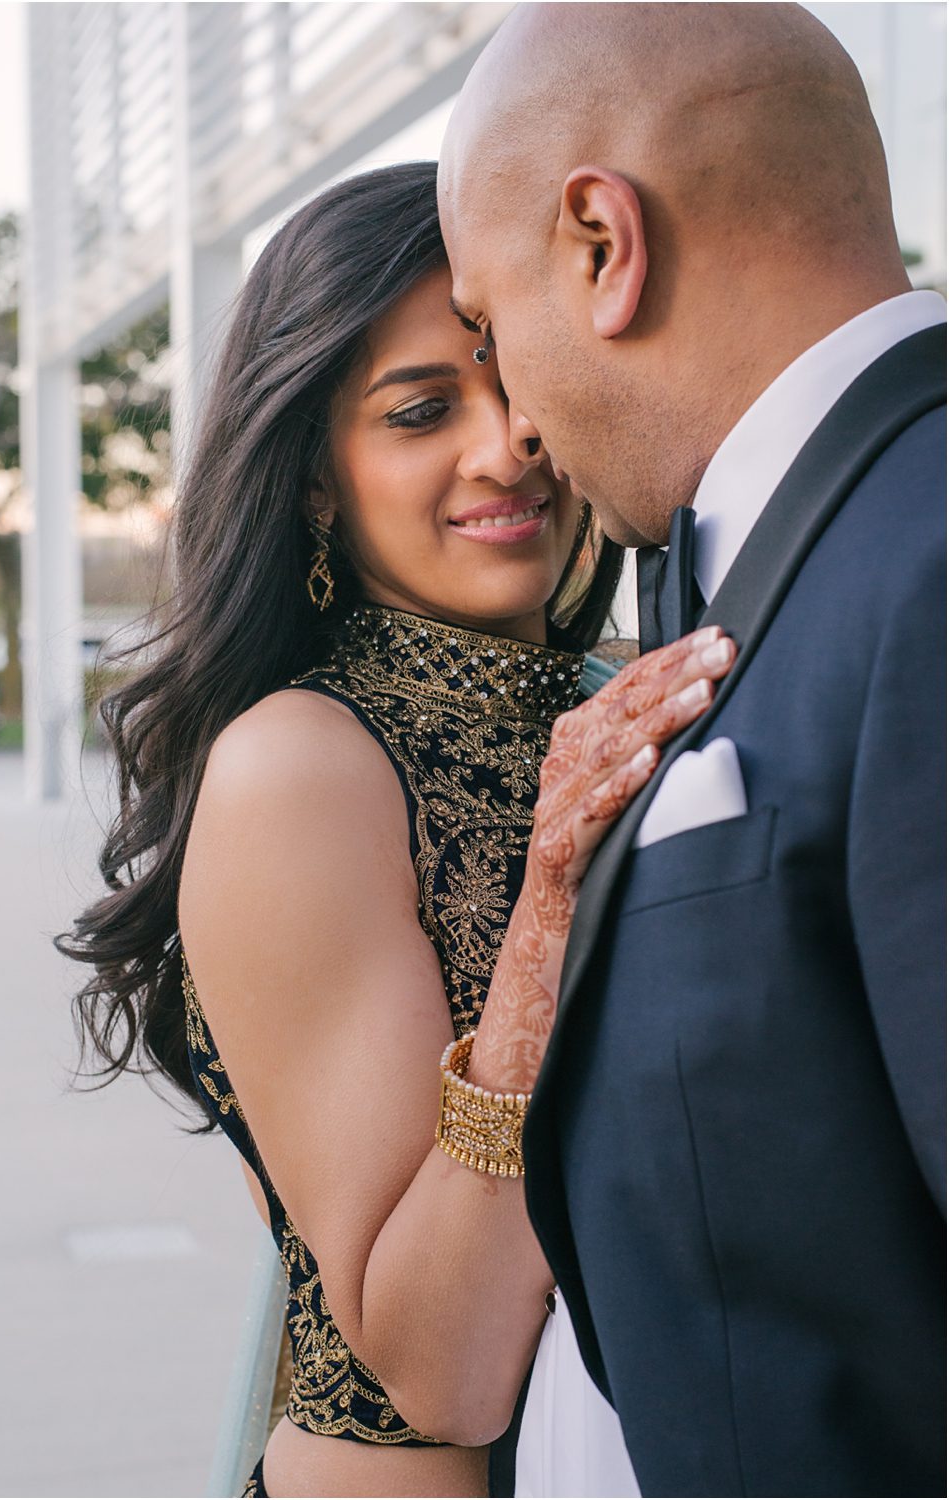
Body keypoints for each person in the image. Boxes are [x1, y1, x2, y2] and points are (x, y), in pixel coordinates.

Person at [60, 162, 735, 1496]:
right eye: (422, 411)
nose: (508, 444)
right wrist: (546, 918)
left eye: (520, 376)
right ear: (315, 479)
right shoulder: (300, 766)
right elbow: (442, 1366)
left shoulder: (610, 690)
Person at [437, 6, 944, 1493]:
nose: (514, 418)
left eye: (487, 323)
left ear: (602, 243)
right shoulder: (759, 551)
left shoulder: (925, 557)